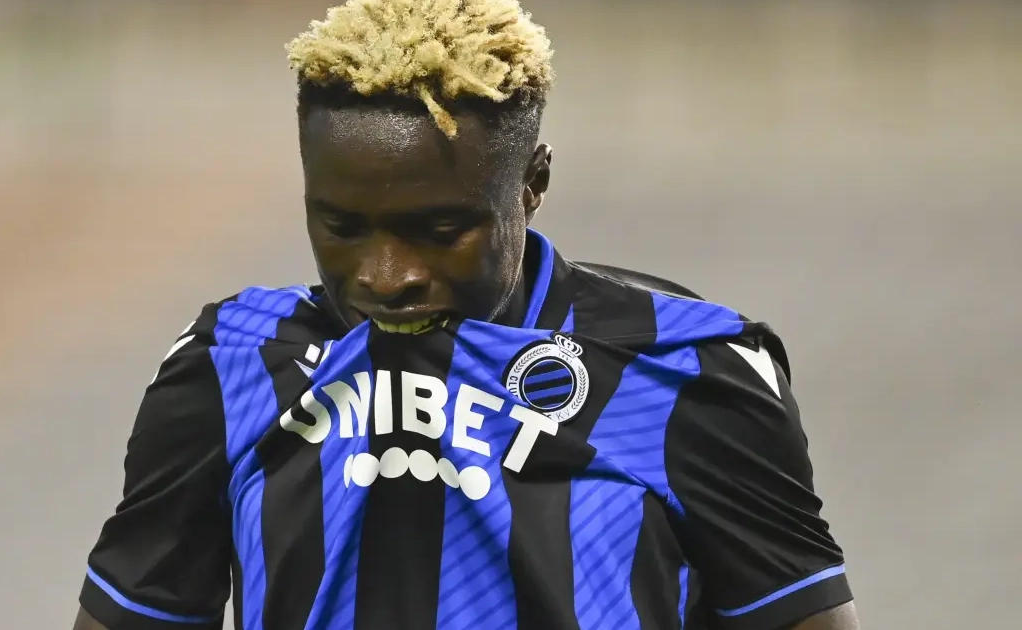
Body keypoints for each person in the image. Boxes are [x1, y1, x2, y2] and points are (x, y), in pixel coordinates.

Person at [72, 1, 859, 629]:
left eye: (441, 231)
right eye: (341, 226)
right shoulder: (227, 370)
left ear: (532, 184)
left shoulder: (687, 374)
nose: (386, 278)